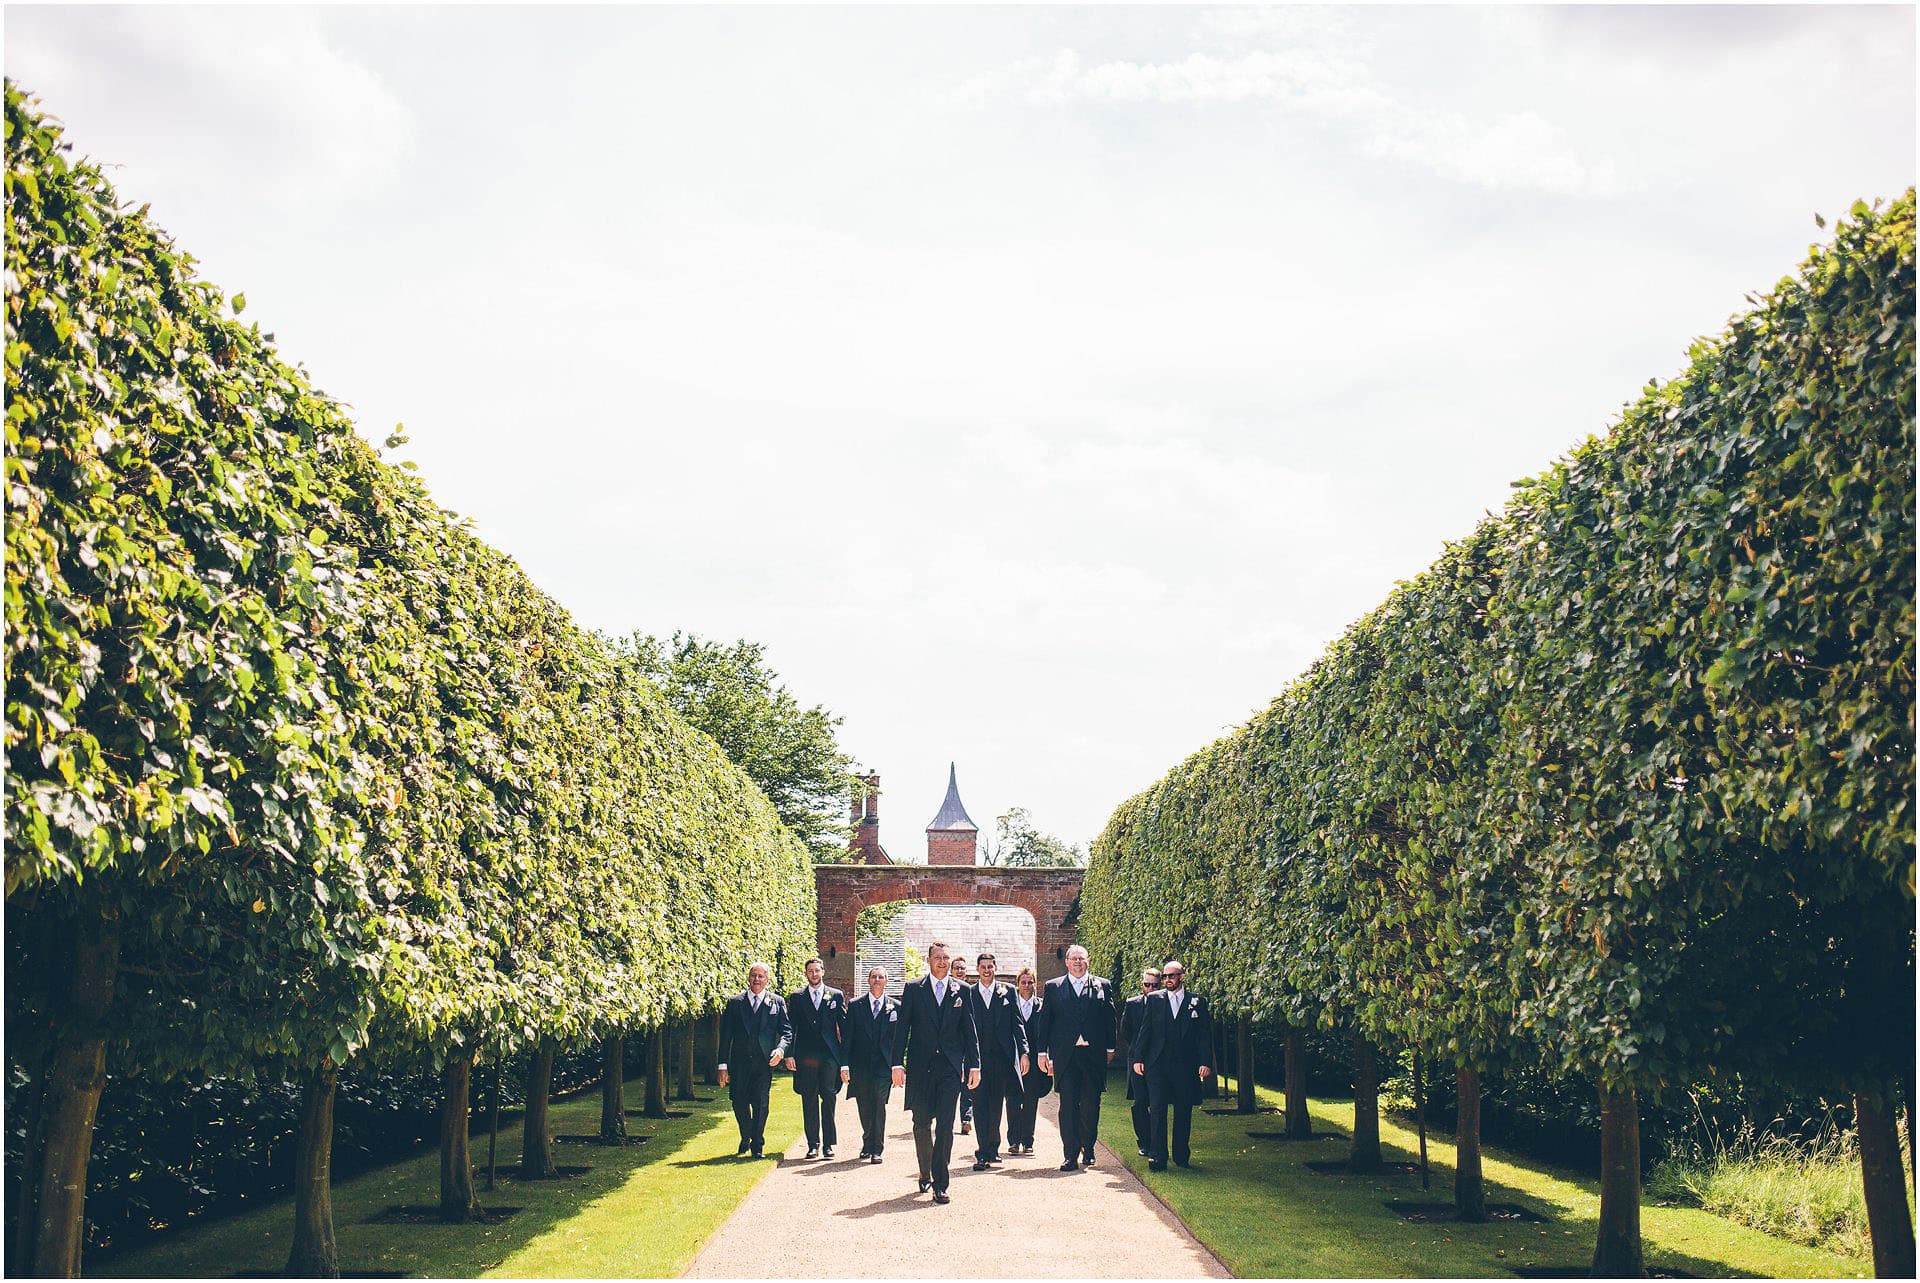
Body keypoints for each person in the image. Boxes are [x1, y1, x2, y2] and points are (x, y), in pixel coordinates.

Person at [893, 940, 980, 1204]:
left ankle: (940, 1183)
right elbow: (902, 1030)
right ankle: (925, 1169)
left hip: (950, 1070)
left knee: (945, 1125)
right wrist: (897, 1063)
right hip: (921, 1069)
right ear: (928, 960)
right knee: (921, 1124)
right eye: (938, 957)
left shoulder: (962, 990)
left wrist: (974, 1065)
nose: (942, 962)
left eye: (946, 958)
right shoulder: (913, 989)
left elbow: (970, 1031)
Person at [1034, 944, 1115, 1171]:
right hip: (1065, 1056)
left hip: (1093, 1054)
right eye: (1074, 959)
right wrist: (1043, 1052)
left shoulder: (1102, 985)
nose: (1078, 962)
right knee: (1068, 1105)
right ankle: (1070, 1154)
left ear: (1088, 961)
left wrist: (1110, 1047)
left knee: (1091, 1104)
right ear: (1067, 962)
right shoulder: (1053, 987)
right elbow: (1046, 1022)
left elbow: (1109, 1019)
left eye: (1082, 958)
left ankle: (1088, 1148)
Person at [1130, 959, 1214, 1170]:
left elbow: (1204, 1035)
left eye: (1171, 976)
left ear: (1182, 977)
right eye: (1165, 976)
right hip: (1157, 1065)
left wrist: (1205, 1062)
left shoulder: (1197, 1002)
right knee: (1157, 1109)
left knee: (1183, 1111)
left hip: (1185, 1066)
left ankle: (1181, 1155)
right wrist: (1138, 1058)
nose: (1167, 980)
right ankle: (1158, 1156)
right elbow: (1145, 1031)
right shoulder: (1155, 1000)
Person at [717, 961, 792, 1158]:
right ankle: (746, 1135)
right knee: (738, 1102)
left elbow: (786, 1032)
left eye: (761, 976)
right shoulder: (735, 1003)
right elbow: (725, 1036)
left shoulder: (777, 1002)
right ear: (748, 978)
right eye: (753, 975)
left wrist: (781, 1050)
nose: (757, 979)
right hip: (739, 1063)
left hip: (764, 1063)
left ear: (767, 980)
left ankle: (757, 1145)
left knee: (761, 1104)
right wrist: (722, 1065)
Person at [965, 951, 1029, 1170]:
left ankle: (993, 1149)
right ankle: (982, 1152)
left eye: (990, 967)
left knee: (996, 1105)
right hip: (978, 1061)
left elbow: (1017, 1023)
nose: (986, 970)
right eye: (983, 967)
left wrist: (1024, 1051)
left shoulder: (1008, 991)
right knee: (980, 1105)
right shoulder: (969, 993)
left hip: (1002, 1059)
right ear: (977, 969)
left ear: (995, 968)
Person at [785, 957, 846, 1159]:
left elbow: (844, 1028)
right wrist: (790, 1054)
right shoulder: (797, 997)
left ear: (823, 972)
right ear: (806, 974)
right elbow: (790, 1029)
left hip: (829, 1055)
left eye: (817, 970)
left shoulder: (836, 996)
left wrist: (845, 1059)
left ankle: (829, 1144)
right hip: (806, 1056)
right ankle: (813, 1144)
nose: (814, 974)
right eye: (810, 971)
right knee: (809, 1098)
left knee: (829, 1097)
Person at [844, 965, 899, 1163]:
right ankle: (867, 1142)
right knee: (864, 1105)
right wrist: (845, 1065)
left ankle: (877, 1148)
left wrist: (897, 1065)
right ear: (868, 980)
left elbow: (899, 1040)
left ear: (886, 981)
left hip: (884, 1066)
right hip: (860, 1065)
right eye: (874, 977)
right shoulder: (855, 1005)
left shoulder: (895, 1007)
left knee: (879, 1104)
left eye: (881, 977)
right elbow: (847, 1038)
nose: (877, 980)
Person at [1119, 967, 1162, 1156]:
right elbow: (1126, 1030)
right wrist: (1137, 1052)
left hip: (1159, 1060)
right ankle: (1143, 1142)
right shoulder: (1132, 1004)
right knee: (1140, 1101)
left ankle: (1156, 1143)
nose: (1151, 988)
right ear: (1142, 984)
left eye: (1154, 985)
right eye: (1147, 984)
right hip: (1136, 1059)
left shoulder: (1166, 1004)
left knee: (1157, 1103)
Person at [1007, 966, 1050, 1155]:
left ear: (1035, 983)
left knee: (1031, 1101)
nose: (1026, 985)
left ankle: (1028, 1141)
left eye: (1030, 982)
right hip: (1013, 1062)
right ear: (1017, 984)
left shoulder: (1042, 1006)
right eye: (1023, 982)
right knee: (1013, 1101)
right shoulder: (1009, 1006)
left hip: (1035, 1062)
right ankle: (1014, 1141)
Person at [951, 955, 974, 1136]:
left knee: (967, 1083)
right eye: (957, 968)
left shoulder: (970, 992)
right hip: (950, 1046)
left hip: (967, 1044)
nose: (959, 971)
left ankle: (966, 1118)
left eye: (962, 969)